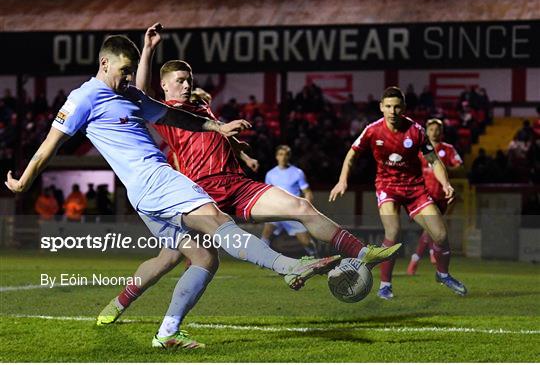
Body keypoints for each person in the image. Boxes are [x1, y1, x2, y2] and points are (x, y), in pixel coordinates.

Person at [4, 25, 341, 350]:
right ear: (104, 63)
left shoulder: (131, 94)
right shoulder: (84, 98)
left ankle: (164, 332)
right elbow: (49, 146)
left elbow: (173, 116)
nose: (127, 77)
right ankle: (289, 266)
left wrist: (217, 127)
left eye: (132, 70)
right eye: (123, 70)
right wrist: (23, 181)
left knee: (204, 258)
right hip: (156, 180)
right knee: (217, 220)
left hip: (145, 195)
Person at [96, 24, 401, 332]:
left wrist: (241, 152)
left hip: (236, 183)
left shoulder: (202, 109)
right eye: (180, 80)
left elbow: (216, 138)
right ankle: (121, 302)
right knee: (168, 260)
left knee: (300, 207)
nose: (187, 85)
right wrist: (148, 49)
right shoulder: (166, 113)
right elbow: (141, 89)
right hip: (199, 193)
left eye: (190, 80)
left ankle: (362, 252)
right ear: (164, 86)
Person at [330, 86, 467, 300]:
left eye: (397, 107)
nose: (393, 111)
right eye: (388, 107)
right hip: (387, 188)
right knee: (392, 232)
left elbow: (433, 161)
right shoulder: (373, 130)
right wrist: (342, 179)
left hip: (415, 190)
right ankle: (385, 285)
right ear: (381, 107)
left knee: (440, 235)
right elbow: (352, 154)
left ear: (403, 108)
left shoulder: (416, 131)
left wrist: (446, 184)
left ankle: (442, 274)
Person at [407, 118, 463, 275]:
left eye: (437, 129)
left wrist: (446, 170)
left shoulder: (448, 149)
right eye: (431, 129)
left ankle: (419, 258)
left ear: (442, 132)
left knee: (429, 229)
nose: (434, 132)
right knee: (430, 228)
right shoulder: (420, 149)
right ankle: (424, 256)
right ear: (426, 131)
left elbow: (460, 167)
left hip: (441, 196)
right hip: (423, 195)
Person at [261, 145, 318, 257]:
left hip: (293, 212)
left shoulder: (298, 172)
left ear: (289, 156)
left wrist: (306, 208)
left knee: (306, 241)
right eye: (281, 154)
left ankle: (317, 257)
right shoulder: (270, 174)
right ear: (277, 156)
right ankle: (260, 258)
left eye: (286, 154)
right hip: (277, 212)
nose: (283, 157)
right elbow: (267, 194)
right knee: (266, 234)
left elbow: (307, 192)